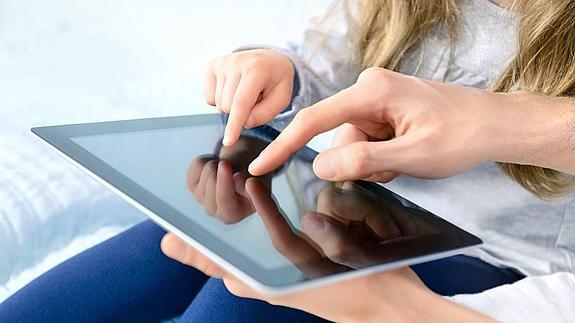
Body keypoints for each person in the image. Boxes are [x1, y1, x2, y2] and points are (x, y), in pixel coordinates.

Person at [1, 0, 574, 321]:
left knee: (231, 307)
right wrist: (279, 69)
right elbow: (330, 59)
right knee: (65, 297)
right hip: (338, 203)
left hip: (487, 255)